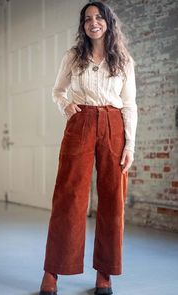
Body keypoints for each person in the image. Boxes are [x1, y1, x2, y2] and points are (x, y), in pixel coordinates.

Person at [39, 1, 138, 295]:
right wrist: (65, 106)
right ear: (83, 26)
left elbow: (130, 104)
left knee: (112, 199)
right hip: (80, 122)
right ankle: (52, 272)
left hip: (113, 124)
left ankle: (104, 273)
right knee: (68, 196)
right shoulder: (73, 56)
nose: (93, 22)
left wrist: (130, 143)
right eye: (87, 19)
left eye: (98, 17)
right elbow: (57, 90)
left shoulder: (123, 60)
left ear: (108, 22)